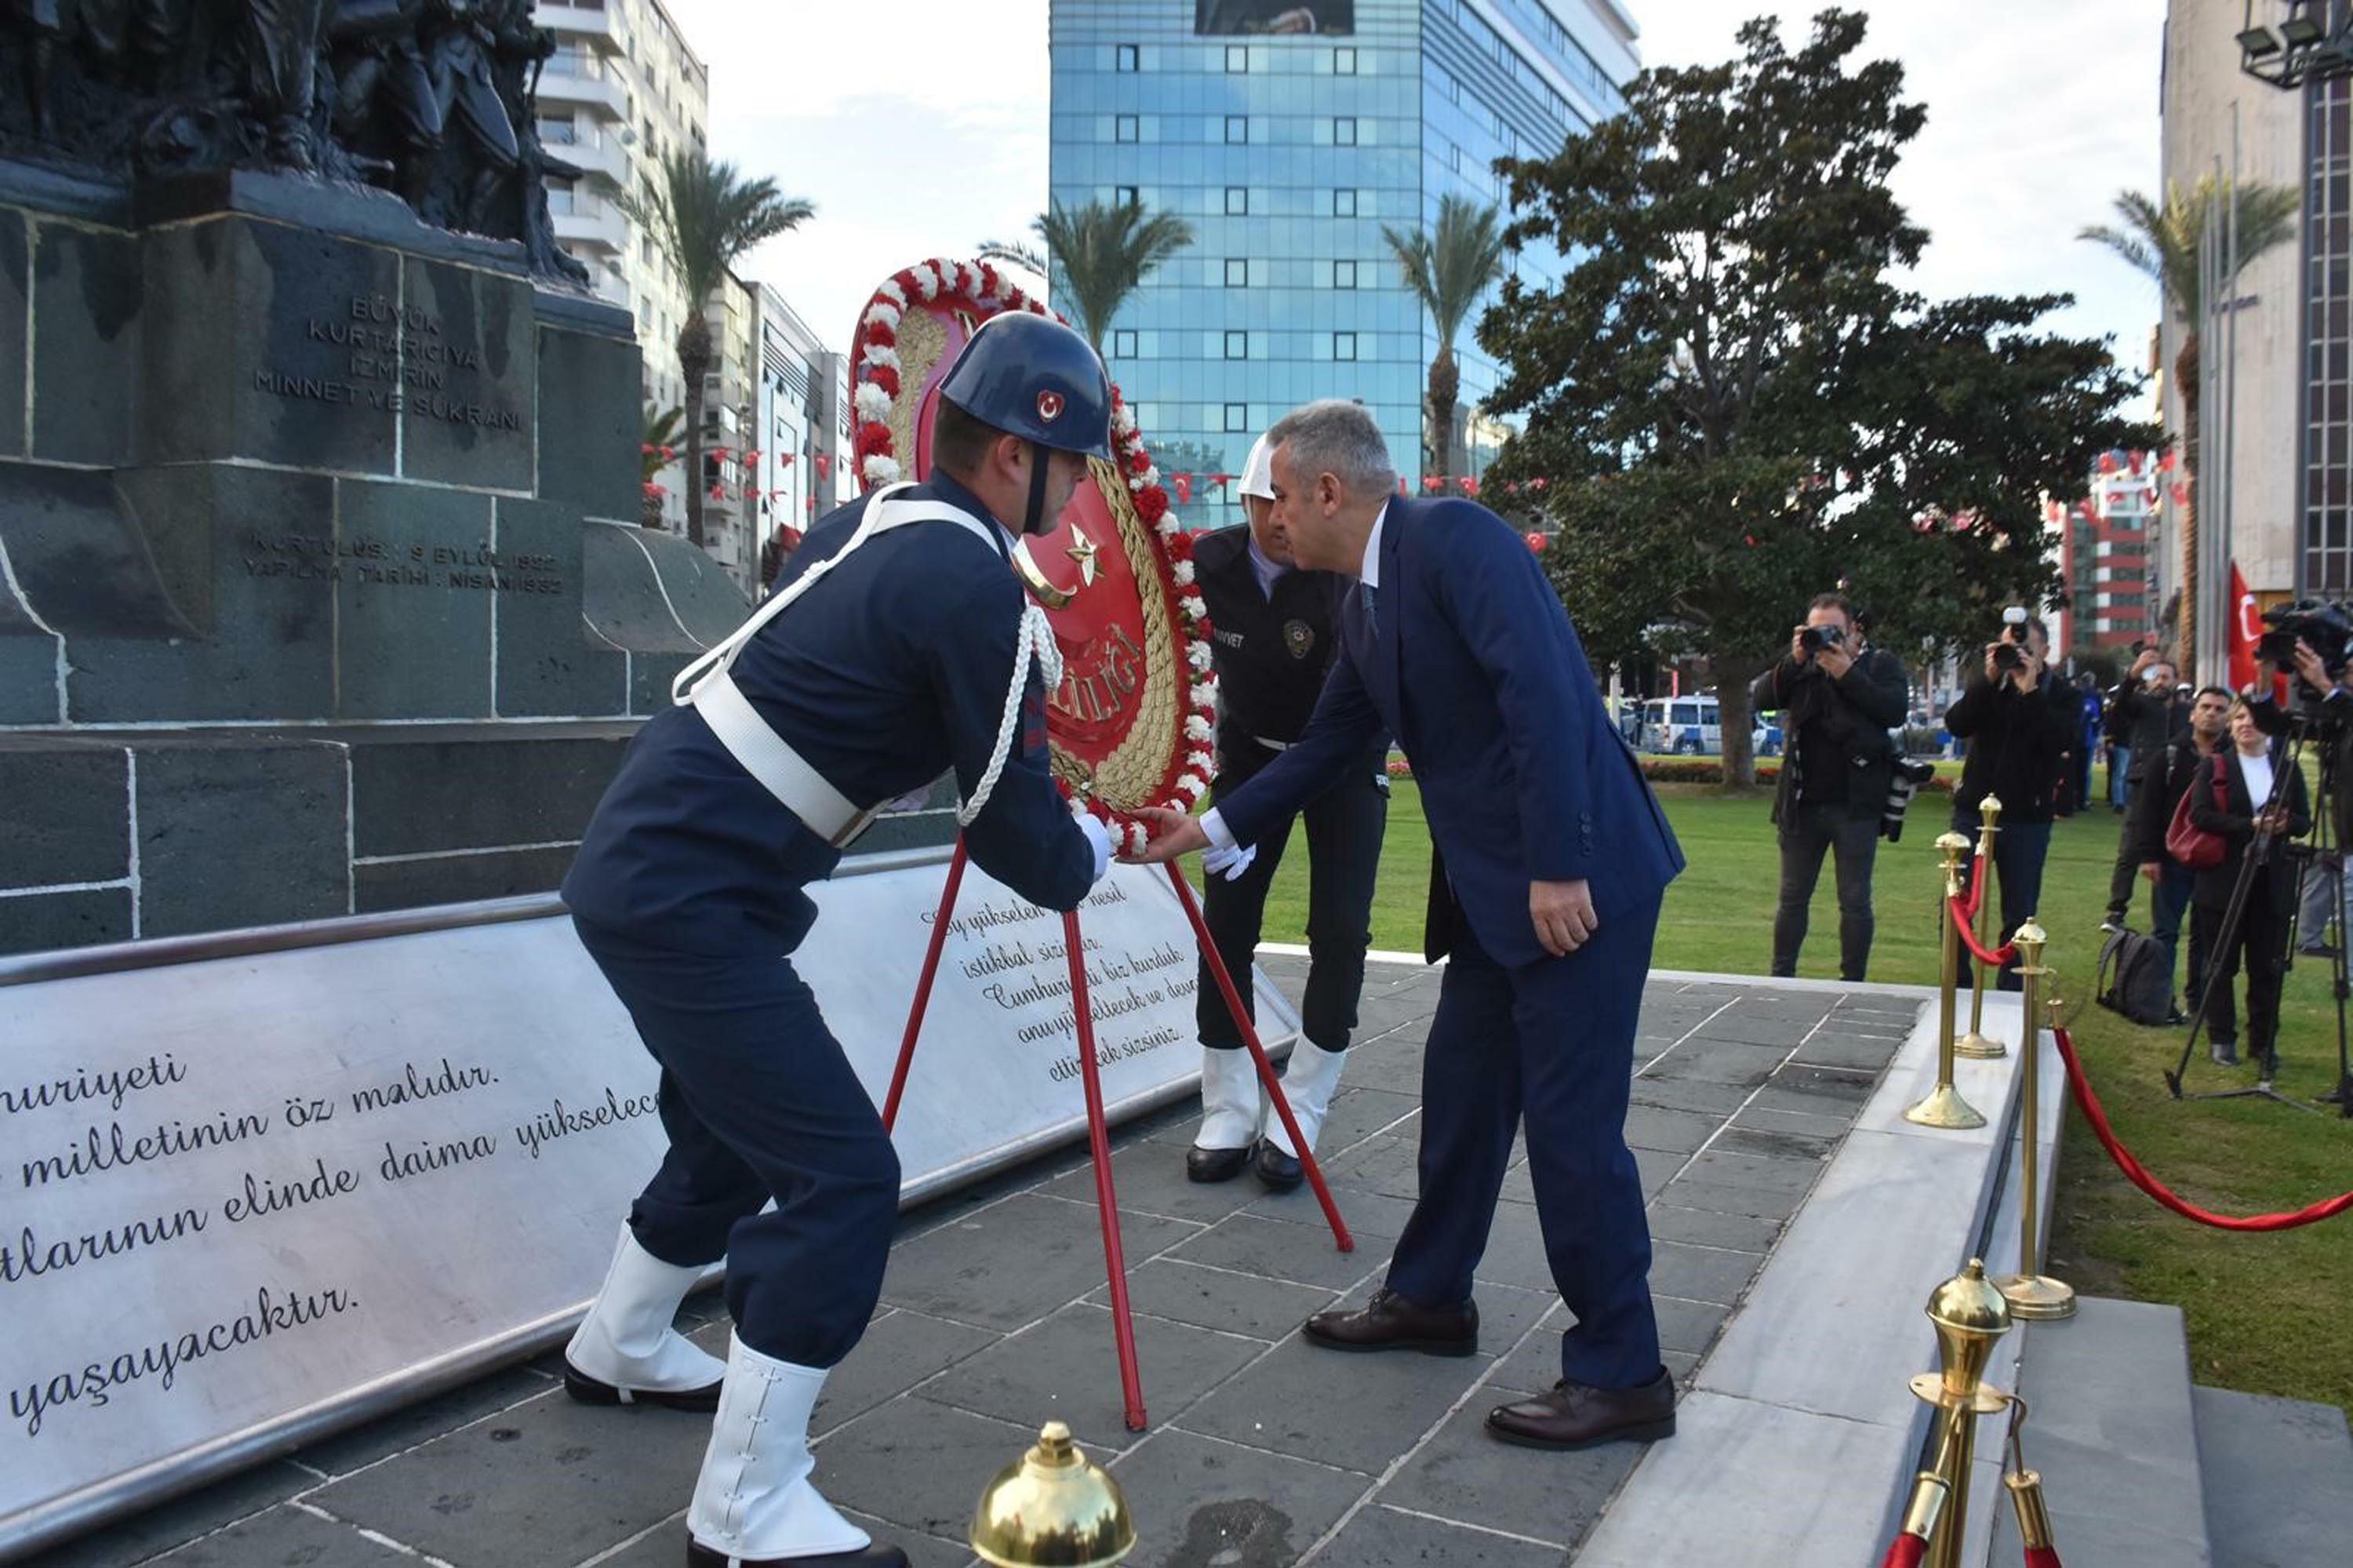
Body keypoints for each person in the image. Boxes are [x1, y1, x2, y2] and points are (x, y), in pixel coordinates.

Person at [558, 311, 1118, 1568]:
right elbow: (1020, 837)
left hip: (664, 867)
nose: (1079, 491)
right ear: (1016, 457)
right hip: (692, 893)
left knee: (727, 1123)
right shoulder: (977, 579)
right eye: (1073, 464)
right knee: (842, 1177)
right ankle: (746, 1510)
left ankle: (624, 1343)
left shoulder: (868, 524)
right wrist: (1108, 846)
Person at [1126, 400, 1686, 1453]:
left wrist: (1560, 864)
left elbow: (1547, 701)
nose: (1270, 521)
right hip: (1494, 899)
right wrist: (1198, 827)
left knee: (1570, 1130)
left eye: (1280, 498)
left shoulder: (1454, 541)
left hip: (1580, 886)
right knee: (1461, 1098)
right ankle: (1431, 1298)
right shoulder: (1363, 598)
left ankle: (1625, 1366)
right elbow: (1330, 739)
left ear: (1327, 492)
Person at [1184, 431, 1387, 1189]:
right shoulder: (1208, 564)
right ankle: (1228, 1103)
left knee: (1341, 927)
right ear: (1244, 499)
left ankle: (1302, 1101)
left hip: (1340, 759)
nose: (1277, 517)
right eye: (1262, 500)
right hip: (1250, 755)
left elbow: (1353, 708)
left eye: (1287, 500)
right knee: (1226, 923)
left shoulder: (1343, 573)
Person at [1749, 592, 1908, 980]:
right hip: (1803, 802)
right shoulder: (1803, 668)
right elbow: (1762, 698)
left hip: (1856, 804)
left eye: (1832, 630)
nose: (1824, 637)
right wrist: (1796, 658)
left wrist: (1847, 673)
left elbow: (1893, 710)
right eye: (1815, 629)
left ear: (1854, 630)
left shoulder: (1879, 664)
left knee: (1854, 900)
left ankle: (1853, 982)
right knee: (1791, 898)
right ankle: (1781, 976)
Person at [1944, 613, 2076, 991]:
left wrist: (2030, 690)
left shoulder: (2062, 694)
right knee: (1955, 904)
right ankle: (1956, 990)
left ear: (2045, 652)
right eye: (2007, 649)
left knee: (2019, 911)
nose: (2015, 658)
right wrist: (1986, 681)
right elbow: (1957, 724)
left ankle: (2011, 998)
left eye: (2024, 650)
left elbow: (2059, 739)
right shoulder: (1989, 689)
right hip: (1973, 811)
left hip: (2027, 818)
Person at [2189, 697, 2312, 1072]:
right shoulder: (2216, 765)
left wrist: (2284, 824)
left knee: (2266, 967)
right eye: (2239, 716)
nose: (2245, 724)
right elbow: (2200, 815)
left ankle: (2264, 1042)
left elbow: (2304, 821)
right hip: (2224, 879)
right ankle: (2222, 1039)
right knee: (2220, 963)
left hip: (2270, 880)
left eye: (2253, 718)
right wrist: (2249, 826)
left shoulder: (2286, 767)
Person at [2124, 686, 2233, 1022]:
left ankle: (2200, 1002)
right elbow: (2149, 810)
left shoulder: (2232, 759)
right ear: (2192, 712)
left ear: (2227, 716)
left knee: (2207, 933)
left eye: (2219, 708)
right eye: (2206, 707)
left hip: (2215, 859)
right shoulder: (2168, 756)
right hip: (2173, 858)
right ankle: (2160, 1000)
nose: (2211, 713)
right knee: (2167, 931)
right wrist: (2149, 856)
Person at [2103, 649, 2188, 922]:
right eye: (2156, 677)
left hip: (2179, 787)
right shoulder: (2140, 705)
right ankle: (2117, 908)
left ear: (2176, 680)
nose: (2161, 682)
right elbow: (2118, 710)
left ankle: (2165, 911)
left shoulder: (2187, 712)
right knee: (2130, 849)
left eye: (2167, 677)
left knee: (2172, 849)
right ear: (2148, 681)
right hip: (2143, 784)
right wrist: (2132, 675)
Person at [2075, 671, 2105, 814]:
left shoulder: (2077, 694)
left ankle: (2075, 797)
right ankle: (2083, 798)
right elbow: (2098, 718)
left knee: (2075, 769)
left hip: (2076, 738)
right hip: (2088, 737)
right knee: (2086, 771)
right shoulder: (2095, 697)